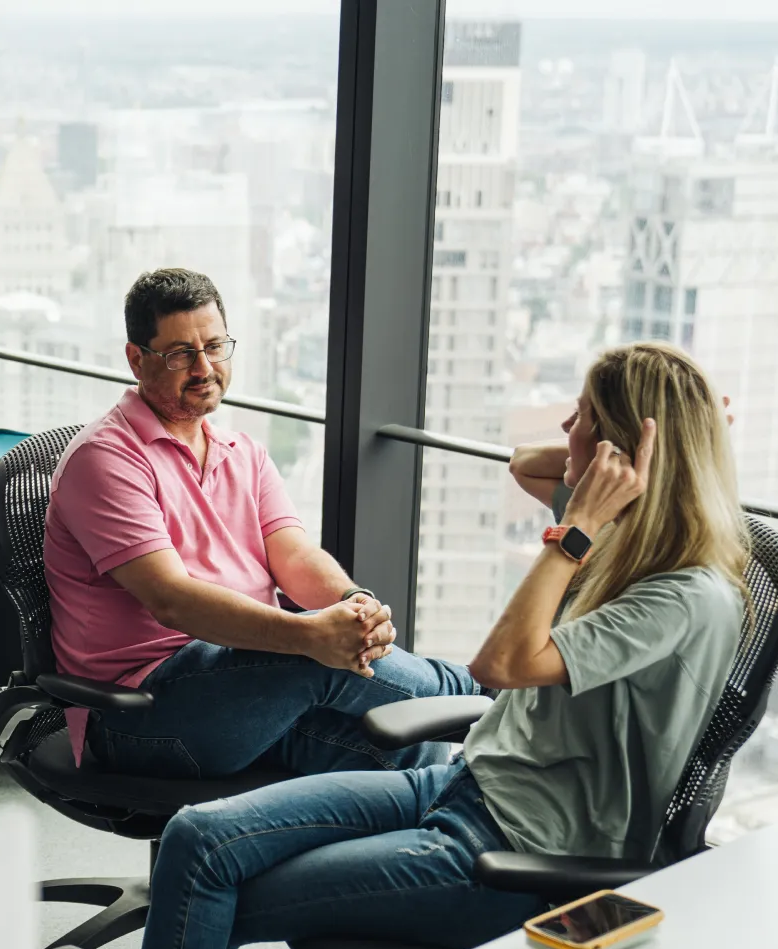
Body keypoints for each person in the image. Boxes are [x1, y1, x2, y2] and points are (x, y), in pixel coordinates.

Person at [134, 342, 750, 949]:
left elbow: (501, 664)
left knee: (204, 886)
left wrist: (575, 529)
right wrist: (647, 457)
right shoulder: (630, 530)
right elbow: (525, 465)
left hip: (517, 851)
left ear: (617, 451)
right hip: (465, 785)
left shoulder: (679, 594)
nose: (564, 434)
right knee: (195, 838)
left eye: (580, 420)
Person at [42, 267, 483, 777]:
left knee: (412, 749)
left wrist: (353, 606)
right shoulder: (106, 459)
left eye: (215, 346)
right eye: (181, 353)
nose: (204, 367)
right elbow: (171, 599)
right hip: (139, 713)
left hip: (246, 689)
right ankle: (487, 697)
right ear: (137, 359)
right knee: (310, 658)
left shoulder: (241, 451)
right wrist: (310, 637)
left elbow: (293, 557)